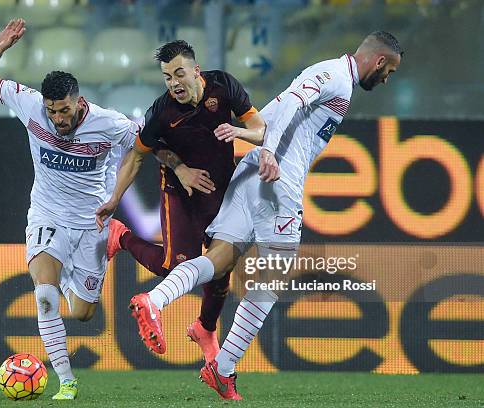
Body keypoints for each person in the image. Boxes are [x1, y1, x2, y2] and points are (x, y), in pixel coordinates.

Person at [127, 31, 403, 400]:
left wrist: (257, 146)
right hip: (277, 179)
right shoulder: (335, 75)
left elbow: (277, 111)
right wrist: (271, 150)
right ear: (380, 61)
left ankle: (155, 300)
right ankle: (222, 369)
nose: (387, 79)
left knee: (220, 259)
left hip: (251, 171)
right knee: (271, 280)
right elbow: (289, 102)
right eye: (390, 71)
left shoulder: (340, 80)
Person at [0, 19, 139, 400]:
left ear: (79, 102)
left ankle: (88, 258)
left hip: (93, 223)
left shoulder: (109, 124)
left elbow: (141, 150)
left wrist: (116, 196)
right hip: (47, 215)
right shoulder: (30, 105)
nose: (58, 120)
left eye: (63, 111)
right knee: (44, 295)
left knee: (82, 313)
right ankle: (67, 381)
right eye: (52, 111)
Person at [96, 40, 267, 361]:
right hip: (180, 192)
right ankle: (122, 237)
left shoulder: (225, 87)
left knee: (221, 267)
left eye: (179, 74)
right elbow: (137, 156)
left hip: (220, 190)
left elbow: (261, 131)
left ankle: (205, 328)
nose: (174, 83)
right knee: (174, 268)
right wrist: (114, 198)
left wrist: (238, 132)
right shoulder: (162, 112)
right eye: (167, 77)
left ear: (196, 71)